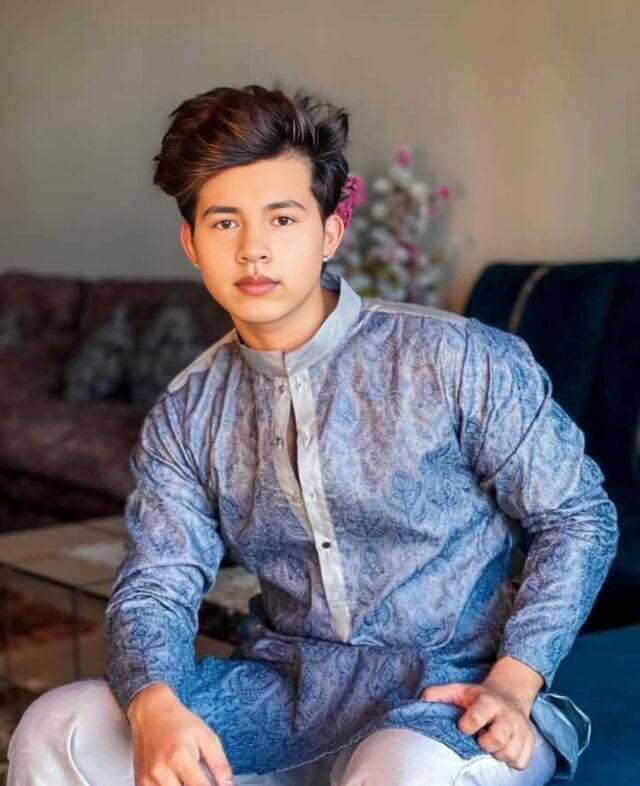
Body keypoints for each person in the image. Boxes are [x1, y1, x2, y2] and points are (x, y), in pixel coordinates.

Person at [7, 84, 618, 786]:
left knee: (404, 770)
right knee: (59, 724)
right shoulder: (187, 413)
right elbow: (156, 584)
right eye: (225, 223)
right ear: (192, 243)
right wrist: (155, 704)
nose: (254, 251)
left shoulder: (455, 358)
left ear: (330, 231)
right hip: (283, 698)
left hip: (451, 696)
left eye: (282, 218)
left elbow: (577, 515)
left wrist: (515, 681)